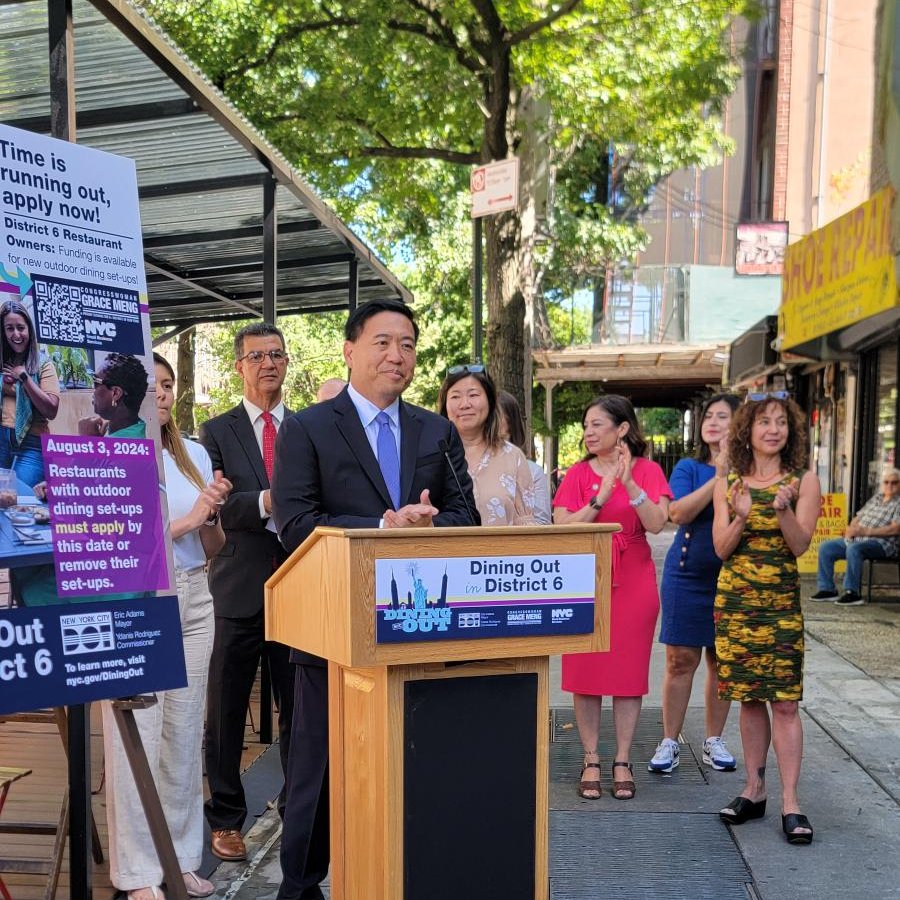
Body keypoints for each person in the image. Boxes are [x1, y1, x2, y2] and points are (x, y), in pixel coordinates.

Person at [271, 298, 478, 900]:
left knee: (413, 764)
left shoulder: (435, 430)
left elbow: (466, 515)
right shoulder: (307, 428)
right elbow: (295, 524)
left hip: (421, 624)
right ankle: (300, 886)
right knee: (320, 770)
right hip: (333, 627)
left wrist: (427, 526)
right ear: (349, 351)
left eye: (407, 345)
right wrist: (383, 527)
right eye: (383, 342)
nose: (397, 355)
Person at [100, 353, 231, 900]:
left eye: (168, 384)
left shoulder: (192, 452)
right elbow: (115, 538)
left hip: (196, 592)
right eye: (150, 384)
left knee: (184, 731)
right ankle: (137, 874)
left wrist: (212, 515)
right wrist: (190, 518)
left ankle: (180, 859)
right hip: (139, 597)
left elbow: (213, 545)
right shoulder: (110, 449)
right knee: (137, 735)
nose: (159, 393)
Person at [199, 323, 297, 862]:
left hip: (299, 585)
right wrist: (266, 501)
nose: (268, 364)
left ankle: (297, 804)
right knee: (226, 711)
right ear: (239, 366)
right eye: (257, 356)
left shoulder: (307, 428)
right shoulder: (215, 431)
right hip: (237, 589)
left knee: (299, 707)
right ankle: (226, 817)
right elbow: (215, 505)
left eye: (276, 355)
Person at [712, 393, 820, 845]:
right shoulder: (729, 482)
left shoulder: (804, 480)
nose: (773, 429)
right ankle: (753, 789)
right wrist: (740, 517)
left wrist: (782, 509)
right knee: (750, 699)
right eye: (764, 422)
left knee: (786, 704)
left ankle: (790, 801)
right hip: (736, 604)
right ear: (747, 430)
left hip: (780, 607)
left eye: (781, 422)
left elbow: (800, 545)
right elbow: (721, 548)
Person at [552, 394, 671, 801]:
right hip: (586, 576)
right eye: (586, 425)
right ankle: (590, 758)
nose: (588, 432)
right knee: (584, 671)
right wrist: (600, 496)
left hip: (634, 576)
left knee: (628, 673)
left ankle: (622, 759)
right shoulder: (577, 473)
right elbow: (562, 526)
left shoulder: (649, 470)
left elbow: (657, 523)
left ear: (622, 429)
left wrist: (630, 483)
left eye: (597, 424)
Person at [649, 393, 741, 775]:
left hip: (732, 578)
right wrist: (718, 476)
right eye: (709, 417)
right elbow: (678, 512)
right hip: (686, 575)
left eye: (723, 416)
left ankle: (713, 740)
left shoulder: (750, 472)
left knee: (721, 661)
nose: (713, 423)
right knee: (680, 660)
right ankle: (670, 740)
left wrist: (732, 471)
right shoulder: (689, 467)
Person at [438, 365, 536, 526]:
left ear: (490, 401)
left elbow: (525, 524)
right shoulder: (430, 455)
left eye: (473, 395)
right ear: (445, 406)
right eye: (455, 396)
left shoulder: (512, 457)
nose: (465, 404)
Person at [810, 467, 900, 605]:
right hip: (858, 538)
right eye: (886, 482)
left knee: (854, 548)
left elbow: (895, 529)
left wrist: (865, 532)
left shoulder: (898, 502)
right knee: (826, 547)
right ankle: (827, 589)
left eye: (894, 482)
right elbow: (858, 517)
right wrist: (851, 529)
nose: (889, 485)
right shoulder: (877, 498)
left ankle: (852, 592)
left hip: (882, 544)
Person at [0, 299, 60, 486]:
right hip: (1, 441)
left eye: (21, 328)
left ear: (29, 330)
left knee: (21, 497)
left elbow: (51, 409)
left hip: (31, 446)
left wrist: (24, 378)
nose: (16, 334)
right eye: (9, 328)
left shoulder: (43, 364)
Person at [496, 389, 552, 524]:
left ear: (510, 422)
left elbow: (542, 523)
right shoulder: (467, 467)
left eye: (495, 415)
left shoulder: (533, 472)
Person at [79, 352, 149, 438]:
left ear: (115, 393)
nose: (93, 390)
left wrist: (87, 439)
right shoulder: (136, 427)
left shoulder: (127, 442)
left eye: (96, 382)